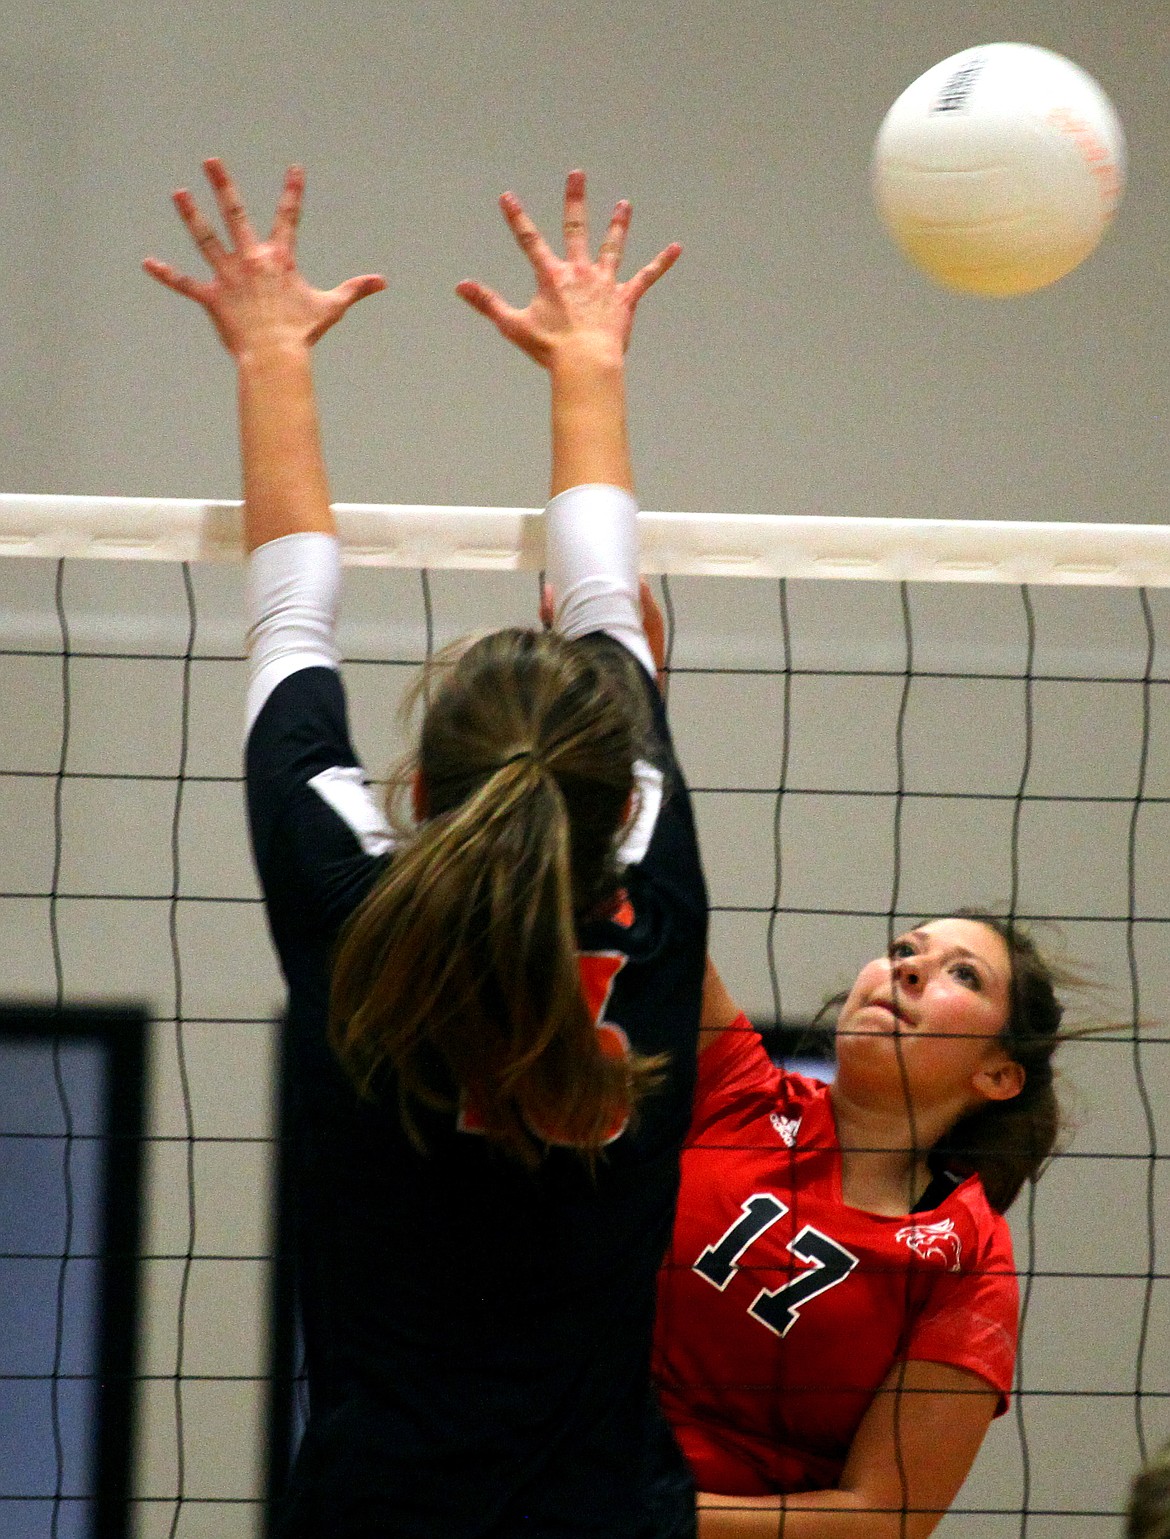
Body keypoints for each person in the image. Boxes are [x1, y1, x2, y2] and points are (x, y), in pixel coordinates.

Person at [145, 160, 707, 1538]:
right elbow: (601, 600)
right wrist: (589, 353)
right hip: (602, 1516)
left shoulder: (360, 913)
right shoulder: (641, 895)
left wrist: (268, 349)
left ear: (412, 778)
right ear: (604, 789)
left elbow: (295, 614)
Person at [648, 913, 1067, 1539]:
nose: (908, 967)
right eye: (904, 949)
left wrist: (652, 1514)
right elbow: (663, 914)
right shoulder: (736, 1086)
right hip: (560, 1464)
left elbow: (883, 1517)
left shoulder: (968, 1257)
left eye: (963, 974)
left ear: (998, 1075)